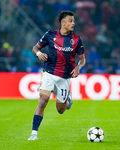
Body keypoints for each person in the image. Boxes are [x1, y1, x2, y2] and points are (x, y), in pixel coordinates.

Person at [28, 10, 86, 140]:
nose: (73, 23)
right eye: (70, 21)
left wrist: (78, 67)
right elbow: (35, 48)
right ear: (63, 23)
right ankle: (33, 134)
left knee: (60, 110)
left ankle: (68, 101)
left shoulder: (76, 39)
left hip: (64, 78)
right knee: (42, 101)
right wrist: (39, 54)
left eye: (74, 21)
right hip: (49, 73)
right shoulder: (50, 35)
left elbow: (82, 59)